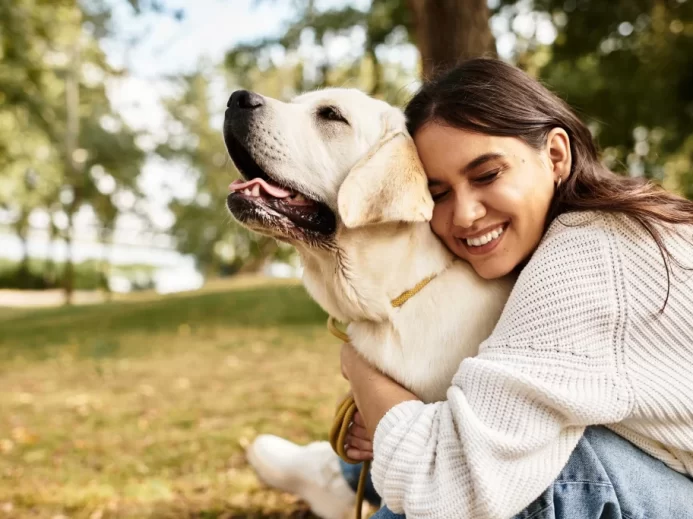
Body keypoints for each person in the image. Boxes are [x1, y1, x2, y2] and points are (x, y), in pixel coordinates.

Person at [247, 58, 693, 519]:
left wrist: (363, 373)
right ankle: (338, 479)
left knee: (534, 475)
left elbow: (449, 483)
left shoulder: (586, 259)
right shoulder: (595, 229)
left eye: (487, 175)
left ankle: (338, 479)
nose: (464, 215)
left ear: (556, 155)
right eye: (438, 192)